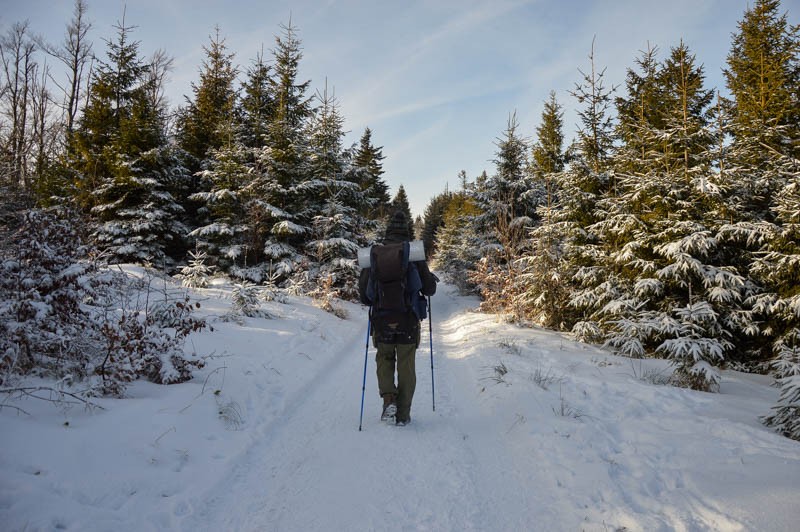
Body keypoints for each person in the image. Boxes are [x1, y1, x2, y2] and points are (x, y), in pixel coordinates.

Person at [359, 211, 437, 426]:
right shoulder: (413, 252)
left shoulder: (374, 254)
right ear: (408, 230)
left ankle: (388, 399)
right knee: (406, 365)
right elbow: (429, 289)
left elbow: (364, 296)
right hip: (408, 320)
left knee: (383, 359)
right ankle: (402, 414)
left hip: (382, 320)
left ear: (387, 230)